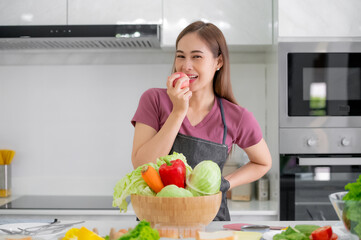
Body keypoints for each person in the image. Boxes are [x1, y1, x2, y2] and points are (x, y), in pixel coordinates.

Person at [131, 21, 272, 221]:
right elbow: (142, 165)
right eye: (180, 56)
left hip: (210, 224)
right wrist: (178, 112)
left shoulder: (237, 117)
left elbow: (263, 162)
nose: (186, 65)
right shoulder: (154, 100)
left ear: (218, 62)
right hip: (158, 223)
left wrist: (225, 183)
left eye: (196, 56)